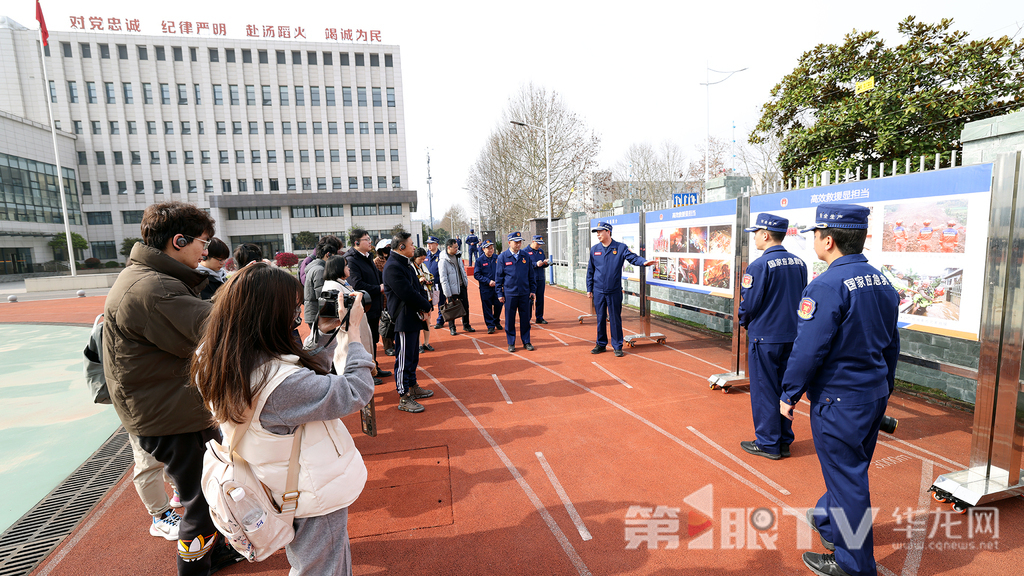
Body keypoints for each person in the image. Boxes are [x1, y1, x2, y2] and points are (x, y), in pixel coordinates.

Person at [191, 263, 375, 576]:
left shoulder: (217, 358)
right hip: (310, 491)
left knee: (316, 564)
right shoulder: (279, 385)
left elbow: (293, 373)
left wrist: (328, 333)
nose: (295, 316)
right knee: (322, 569)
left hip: (276, 481)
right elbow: (355, 390)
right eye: (292, 310)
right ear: (267, 317)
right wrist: (353, 334)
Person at [103, 201, 242, 576]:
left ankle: (215, 553)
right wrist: (252, 297)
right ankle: (194, 568)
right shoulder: (155, 287)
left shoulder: (150, 278)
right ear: (178, 240)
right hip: (170, 414)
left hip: (168, 406)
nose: (206, 251)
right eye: (203, 242)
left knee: (212, 487)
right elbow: (213, 331)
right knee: (202, 499)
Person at [779, 204, 900, 576]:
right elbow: (891, 343)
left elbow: (808, 348)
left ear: (828, 240)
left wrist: (788, 394)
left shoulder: (826, 286)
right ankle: (828, 523)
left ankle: (854, 565)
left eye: (815, 234)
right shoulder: (881, 281)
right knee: (847, 471)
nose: (814, 240)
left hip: (839, 400)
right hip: (871, 394)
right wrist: (885, 386)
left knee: (848, 482)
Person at [737, 213, 808, 461]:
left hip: (765, 338)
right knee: (785, 391)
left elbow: (750, 303)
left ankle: (768, 442)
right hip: (792, 337)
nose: (755, 237)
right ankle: (784, 440)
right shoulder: (799, 263)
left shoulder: (758, 265)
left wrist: (743, 320)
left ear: (765, 235)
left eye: (756, 233)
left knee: (764, 390)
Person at [382, 232, 435, 413]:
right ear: (401, 247)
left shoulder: (406, 264)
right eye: (411, 245)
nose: (414, 247)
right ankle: (403, 396)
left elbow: (417, 288)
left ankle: (413, 386)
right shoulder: (392, 266)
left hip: (413, 316)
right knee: (403, 359)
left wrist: (426, 305)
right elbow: (406, 292)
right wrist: (424, 305)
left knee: (413, 356)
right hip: (403, 318)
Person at [585, 221, 655, 357]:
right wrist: (589, 288)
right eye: (597, 232)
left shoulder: (620, 247)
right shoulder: (594, 249)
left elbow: (633, 258)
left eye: (600, 232)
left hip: (614, 290)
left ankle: (617, 346)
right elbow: (590, 271)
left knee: (615, 318)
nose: (598, 234)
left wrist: (644, 262)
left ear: (608, 232)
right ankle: (601, 344)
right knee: (600, 318)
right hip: (599, 290)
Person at [344, 229, 393, 380]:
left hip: (374, 305)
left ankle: (374, 367)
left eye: (369, 238)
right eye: (366, 239)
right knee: (364, 341)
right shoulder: (351, 260)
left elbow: (377, 275)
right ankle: (366, 374)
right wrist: (379, 288)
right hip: (362, 308)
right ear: (356, 243)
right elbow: (356, 284)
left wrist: (388, 281)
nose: (370, 241)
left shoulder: (367, 256)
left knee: (373, 339)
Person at [323, 255, 375, 355]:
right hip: (347, 335)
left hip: (353, 330)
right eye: (346, 265)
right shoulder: (333, 286)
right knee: (352, 364)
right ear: (337, 268)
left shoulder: (342, 282)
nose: (349, 268)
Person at [495, 232, 536, 352]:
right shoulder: (503, 257)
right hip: (510, 294)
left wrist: (532, 290)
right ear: (509, 243)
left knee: (525, 319)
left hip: (524, 293)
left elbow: (531, 275)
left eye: (520, 242)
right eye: (515, 242)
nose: (518, 244)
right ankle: (511, 342)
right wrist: (499, 293)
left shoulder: (525, 256)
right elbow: (499, 278)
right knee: (510, 319)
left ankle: (526, 341)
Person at [439, 238, 476, 336]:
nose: (457, 249)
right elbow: (443, 278)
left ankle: (466, 325)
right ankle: (452, 328)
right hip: (451, 289)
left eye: (457, 247)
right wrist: (448, 293)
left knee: (465, 307)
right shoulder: (443, 261)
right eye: (455, 247)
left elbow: (462, 270)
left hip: (462, 286)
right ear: (449, 247)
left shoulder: (458, 256)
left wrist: (465, 282)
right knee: (452, 309)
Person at [303, 236, 342, 329]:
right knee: (321, 342)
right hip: (317, 315)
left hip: (315, 314)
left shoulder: (315, 266)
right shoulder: (320, 270)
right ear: (328, 254)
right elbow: (322, 296)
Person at [473, 240, 503, 334]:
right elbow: (477, 275)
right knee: (487, 307)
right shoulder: (479, 260)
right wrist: (488, 281)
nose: (491, 250)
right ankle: (490, 325)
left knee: (499, 304)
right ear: (483, 249)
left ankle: (496, 321)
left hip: (497, 287)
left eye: (492, 248)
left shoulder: (497, 258)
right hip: (486, 288)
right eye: (488, 248)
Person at [412, 247, 437, 353]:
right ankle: (417, 345)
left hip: (427, 295)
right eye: (420, 259)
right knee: (417, 320)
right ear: (415, 257)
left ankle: (426, 343)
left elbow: (430, 276)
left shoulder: (424, 266)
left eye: (423, 259)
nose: (422, 261)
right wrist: (419, 280)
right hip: (417, 297)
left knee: (428, 319)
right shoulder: (411, 267)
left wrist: (429, 280)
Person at [374, 239, 395, 356]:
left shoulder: (393, 260)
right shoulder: (376, 262)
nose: (389, 248)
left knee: (394, 320)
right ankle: (387, 346)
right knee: (386, 322)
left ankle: (392, 342)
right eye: (387, 247)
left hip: (393, 295)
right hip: (383, 297)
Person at [526, 235, 551, 324]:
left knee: (540, 298)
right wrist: (535, 264)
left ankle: (539, 317)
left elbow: (543, 264)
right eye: (537, 243)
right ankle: (527, 318)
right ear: (533, 241)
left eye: (540, 244)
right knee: (529, 299)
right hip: (531, 279)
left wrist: (545, 263)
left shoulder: (540, 251)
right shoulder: (525, 251)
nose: (539, 246)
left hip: (540, 278)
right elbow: (525, 265)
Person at [425, 237, 447, 329]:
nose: (429, 245)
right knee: (427, 303)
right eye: (428, 243)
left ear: (437, 244)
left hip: (438, 283)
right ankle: (427, 320)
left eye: (431, 243)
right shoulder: (426, 255)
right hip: (427, 284)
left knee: (441, 302)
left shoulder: (442, 255)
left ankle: (440, 320)